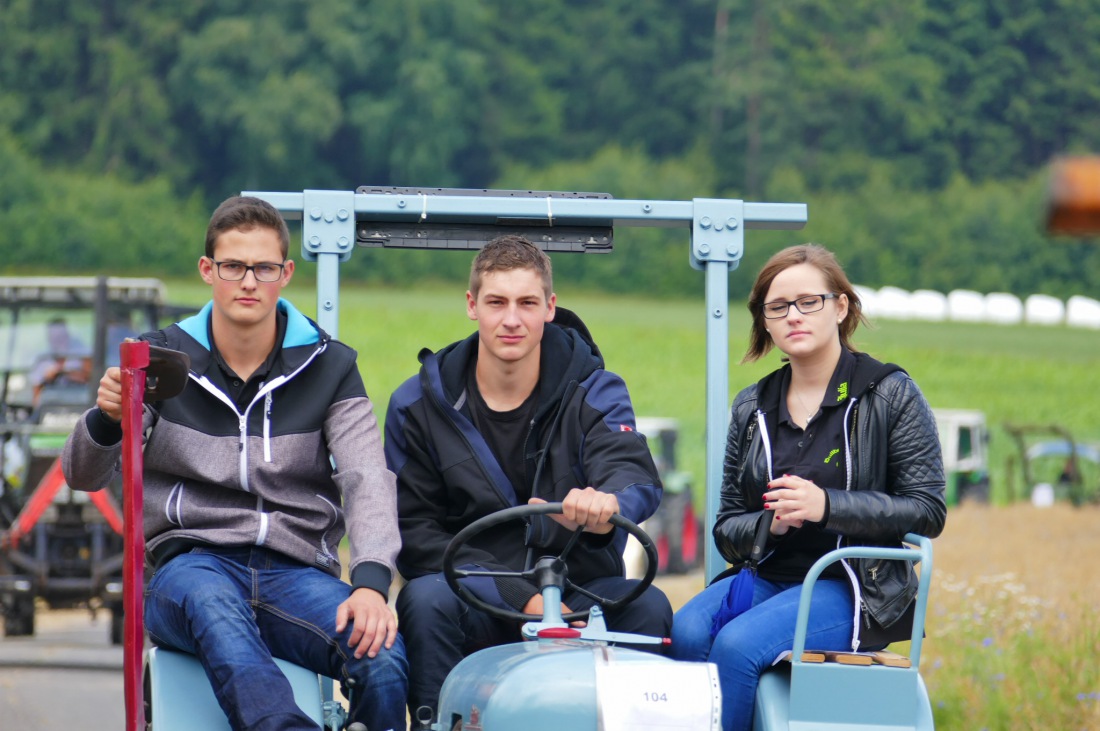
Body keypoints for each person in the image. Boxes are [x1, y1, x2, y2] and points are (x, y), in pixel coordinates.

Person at [61, 196, 408, 731]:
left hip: (296, 573)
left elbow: (367, 478)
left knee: (382, 657)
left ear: (285, 274)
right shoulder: (156, 361)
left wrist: (369, 583)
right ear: (208, 271)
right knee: (215, 607)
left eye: (264, 268)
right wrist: (107, 418)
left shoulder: (331, 366)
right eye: (234, 267)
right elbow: (83, 475)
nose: (249, 281)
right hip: (189, 568)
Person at [384, 234, 673, 722]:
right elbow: (416, 535)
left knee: (647, 606)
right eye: (497, 302)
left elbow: (631, 472)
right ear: (472, 305)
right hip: (471, 593)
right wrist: (518, 594)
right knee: (424, 598)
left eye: (527, 303)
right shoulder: (417, 405)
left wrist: (609, 506)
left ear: (550, 307)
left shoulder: (594, 389)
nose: (512, 319)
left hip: (578, 592)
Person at [669, 244, 946, 731]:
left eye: (809, 302)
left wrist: (826, 506)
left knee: (736, 647)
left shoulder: (890, 392)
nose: (793, 316)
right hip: (770, 576)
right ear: (766, 323)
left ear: (840, 307)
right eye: (778, 307)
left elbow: (927, 510)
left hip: (856, 583)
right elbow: (727, 526)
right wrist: (768, 526)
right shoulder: (751, 407)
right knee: (687, 630)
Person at [29, 317, 92, 404]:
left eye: (61, 336)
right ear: (49, 338)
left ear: (67, 334)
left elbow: (91, 377)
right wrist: (47, 379)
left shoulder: (82, 352)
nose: (59, 341)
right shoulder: (42, 359)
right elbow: (36, 395)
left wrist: (63, 372)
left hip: (80, 401)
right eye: (55, 338)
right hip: (52, 405)